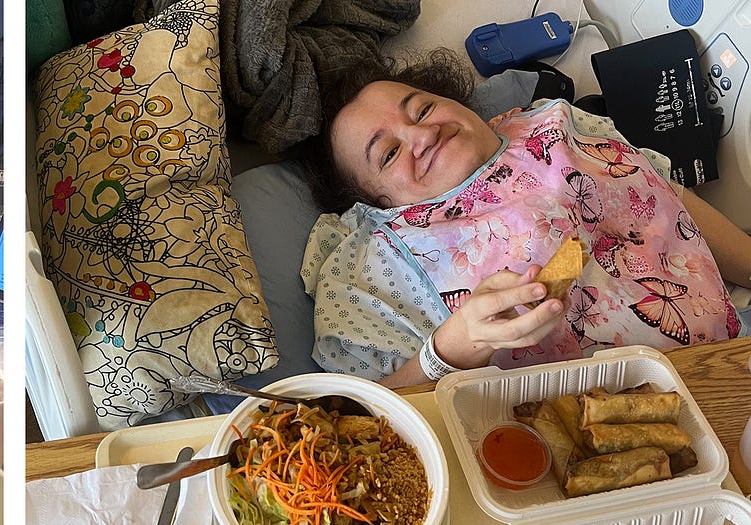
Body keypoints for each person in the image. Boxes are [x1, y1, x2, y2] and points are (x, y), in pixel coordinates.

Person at [298, 49, 751, 388]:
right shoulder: (376, 265)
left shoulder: (556, 123)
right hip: (612, 441)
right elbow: (366, 421)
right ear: (375, 203)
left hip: (735, 354)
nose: (422, 132)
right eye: (390, 152)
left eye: (423, 108)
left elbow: (667, 199)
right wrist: (452, 350)